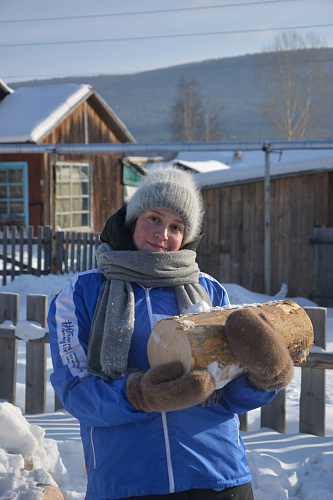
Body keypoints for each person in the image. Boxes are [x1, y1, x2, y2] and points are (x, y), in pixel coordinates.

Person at [48, 166, 294, 500]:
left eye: (176, 226)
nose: (163, 233)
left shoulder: (209, 291)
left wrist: (264, 380)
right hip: (127, 481)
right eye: (154, 218)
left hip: (218, 478)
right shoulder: (82, 292)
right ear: (133, 218)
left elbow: (228, 396)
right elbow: (76, 390)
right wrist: (140, 395)